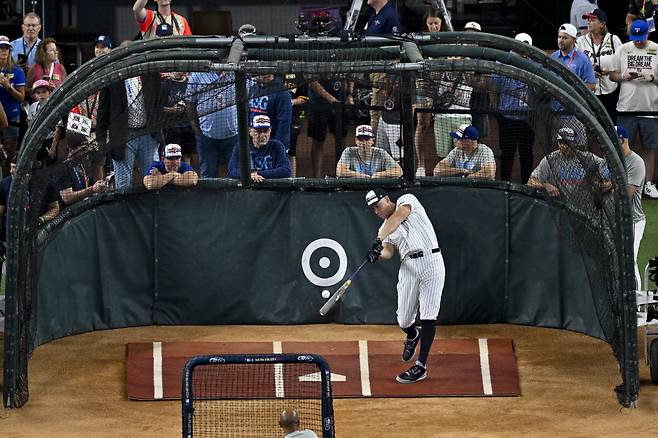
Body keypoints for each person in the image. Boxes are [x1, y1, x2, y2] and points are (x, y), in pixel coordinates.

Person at [365, 188, 446, 383]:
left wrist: (378, 239)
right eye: (373, 209)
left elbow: (398, 217)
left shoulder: (407, 200)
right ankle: (412, 334)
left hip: (432, 262)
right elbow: (388, 252)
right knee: (403, 320)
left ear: (386, 198)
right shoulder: (384, 229)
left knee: (428, 315)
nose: (376, 211)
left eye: (378, 205)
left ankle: (421, 366)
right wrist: (377, 255)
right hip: (408, 267)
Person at [607, 19, 658, 199]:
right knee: (624, 146)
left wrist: (651, 77)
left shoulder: (656, 49)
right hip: (626, 106)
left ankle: (649, 183)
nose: (637, 41)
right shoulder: (624, 49)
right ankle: (625, 181)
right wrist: (623, 75)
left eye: (641, 37)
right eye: (635, 37)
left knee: (650, 147)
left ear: (648, 34)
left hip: (650, 107)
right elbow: (611, 75)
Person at [96, 74, 161, 188]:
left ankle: (153, 204)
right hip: (122, 135)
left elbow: (159, 101)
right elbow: (103, 109)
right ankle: (124, 205)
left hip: (148, 133)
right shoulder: (113, 76)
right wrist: (101, 138)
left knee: (153, 178)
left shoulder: (150, 74)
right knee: (123, 182)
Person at [490, 33, 535, 183]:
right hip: (507, 117)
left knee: (526, 153)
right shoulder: (502, 61)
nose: (523, 50)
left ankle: (527, 185)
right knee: (507, 153)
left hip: (528, 118)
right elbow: (493, 89)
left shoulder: (534, 63)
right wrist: (498, 112)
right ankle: (505, 183)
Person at [527, 127, 608, 203]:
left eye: (568, 143)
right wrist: (545, 185)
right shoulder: (550, 159)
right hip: (560, 208)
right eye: (561, 142)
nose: (564, 146)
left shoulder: (587, 158)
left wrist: (605, 180)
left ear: (575, 143)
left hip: (584, 209)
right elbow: (530, 181)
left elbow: (606, 164)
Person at [186, 70, 237, 178]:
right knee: (208, 173)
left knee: (235, 173)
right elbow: (190, 104)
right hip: (206, 135)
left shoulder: (235, 72)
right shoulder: (197, 74)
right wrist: (196, 130)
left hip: (233, 134)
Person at [576, 9, 622, 122]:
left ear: (602, 24)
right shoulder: (580, 41)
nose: (588, 22)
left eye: (592, 20)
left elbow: (623, 64)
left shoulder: (613, 40)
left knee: (611, 125)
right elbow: (574, 65)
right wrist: (589, 72)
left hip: (611, 92)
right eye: (588, 20)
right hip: (589, 92)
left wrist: (609, 71)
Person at [615, 125, 647, 290]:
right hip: (615, 219)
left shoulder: (636, 162)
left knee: (629, 260)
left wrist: (608, 185)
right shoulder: (614, 159)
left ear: (621, 141)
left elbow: (626, 194)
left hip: (632, 220)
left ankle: (634, 304)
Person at [414, 7, 444, 176]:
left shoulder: (446, 40)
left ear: (441, 23)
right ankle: (420, 164)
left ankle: (442, 165)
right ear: (426, 24)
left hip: (443, 88)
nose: (433, 26)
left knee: (440, 125)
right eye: (430, 24)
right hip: (423, 86)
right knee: (422, 124)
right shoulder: (421, 40)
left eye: (436, 23)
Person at [58, 116, 109, 205]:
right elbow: (67, 198)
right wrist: (92, 189)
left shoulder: (81, 164)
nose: (85, 153)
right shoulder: (64, 169)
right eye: (81, 150)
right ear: (71, 150)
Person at [227, 115, 291, 181]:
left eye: (265, 131)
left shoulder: (277, 146)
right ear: (250, 131)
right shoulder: (241, 147)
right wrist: (250, 175)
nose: (263, 135)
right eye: (259, 131)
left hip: (272, 189)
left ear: (270, 130)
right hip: (248, 190)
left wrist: (257, 174)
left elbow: (286, 170)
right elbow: (232, 171)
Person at [307, 77, 348, 177]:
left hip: (340, 102)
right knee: (318, 140)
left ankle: (340, 176)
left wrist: (349, 95)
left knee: (341, 138)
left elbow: (349, 75)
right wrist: (332, 100)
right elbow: (311, 80)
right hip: (319, 105)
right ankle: (317, 180)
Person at [0, 35, 26, 172]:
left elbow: (21, 97)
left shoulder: (17, 71)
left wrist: (7, 86)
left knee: (8, 158)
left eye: (6, 48)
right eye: (0, 48)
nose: (3, 51)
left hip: (12, 116)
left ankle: (6, 188)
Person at [336, 124, 401, 178]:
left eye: (367, 139)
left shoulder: (381, 153)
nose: (364, 142)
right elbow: (339, 171)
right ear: (356, 141)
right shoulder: (349, 151)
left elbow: (399, 171)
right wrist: (361, 176)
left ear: (372, 141)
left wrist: (379, 174)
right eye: (360, 139)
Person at [248, 74, 292, 151]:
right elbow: (248, 115)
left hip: (271, 143)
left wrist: (279, 147)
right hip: (254, 142)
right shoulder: (253, 88)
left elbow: (284, 122)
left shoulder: (282, 92)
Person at [552, 24, 596, 91]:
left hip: (571, 100)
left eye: (565, 38)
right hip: (553, 100)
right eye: (559, 37)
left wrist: (572, 90)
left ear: (573, 40)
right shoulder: (553, 57)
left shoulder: (583, 59)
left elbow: (591, 85)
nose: (561, 40)